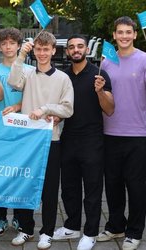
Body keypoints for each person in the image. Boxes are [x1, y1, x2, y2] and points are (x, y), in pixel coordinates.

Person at [7, 31, 74, 249]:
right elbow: (13, 81)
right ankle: (26, 229)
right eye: (38, 49)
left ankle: (47, 231)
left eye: (46, 49)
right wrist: (20, 56)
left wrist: (45, 109)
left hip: (51, 140)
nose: (42, 53)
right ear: (33, 51)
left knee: (49, 189)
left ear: (54, 50)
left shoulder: (63, 78)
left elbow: (67, 107)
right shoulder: (27, 73)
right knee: (25, 185)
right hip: (28, 140)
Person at [52, 34, 114, 250]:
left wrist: (100, 91)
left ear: (87, 49)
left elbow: (110, 109)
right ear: (67, 51)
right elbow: (58, 107)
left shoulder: (100, 74)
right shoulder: (62, 76)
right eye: (71, 47)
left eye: (80, 46)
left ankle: (90, 232)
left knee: (93, 189)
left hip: (92, 140)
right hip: (68, 138)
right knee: (69, 188)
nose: (76, 50)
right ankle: (71, 226)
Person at [97, 16, 146, 250]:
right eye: (120, 32)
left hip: (138, 133)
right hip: (110, 132)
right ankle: (116, 225)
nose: (124, 36)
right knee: (113, 185)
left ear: (135, 34)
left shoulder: (144, 60)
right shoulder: (107, 62)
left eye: (128, 32)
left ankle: (135, 232)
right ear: (114, 35)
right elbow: (105, 97)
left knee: (136, 186)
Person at [0, 27, 34, 237]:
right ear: (0, 47)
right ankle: (1, 217)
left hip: (22, 130)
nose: (8, 47)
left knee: (20, 174)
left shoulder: (29, 71)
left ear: (19, 45)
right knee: (0, 175)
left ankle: (19, 216)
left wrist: (19, 106)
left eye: (12, 43)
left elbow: (33, 97)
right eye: (4, 43)